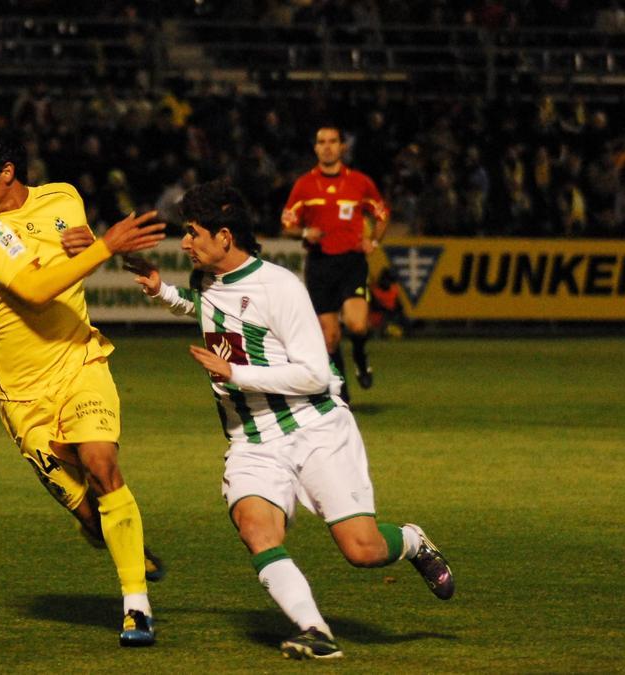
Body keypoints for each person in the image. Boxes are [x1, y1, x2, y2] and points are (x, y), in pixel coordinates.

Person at [128, 180, 453, 660]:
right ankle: (315, 630)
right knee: (255, 527)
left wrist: (233, 371)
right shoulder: (207, 281)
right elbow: (209, 310)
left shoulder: (280, 287)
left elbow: (313, 372)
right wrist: (162, 291)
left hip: (313, 427)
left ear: (224, 236)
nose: (185, 242)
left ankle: (410, 541)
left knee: (361, 550)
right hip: (253, 439)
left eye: (193, 233)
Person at [0, 129, 167, 647]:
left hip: (79, 361)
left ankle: (136, 609)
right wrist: (104, 247)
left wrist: (90, 243)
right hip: (22, 395)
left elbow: (73, 244)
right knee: (96, 519)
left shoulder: (63, 196)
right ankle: (99, 527)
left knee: (102, 464)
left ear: (8, 173)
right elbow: (36, 289)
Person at [281, 125, 389, 404]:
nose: (327, 146)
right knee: (329, 338)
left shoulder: (360, 182)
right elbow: (287, 223)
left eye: (332, 141)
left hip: (352, 262)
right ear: (315, 148)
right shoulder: (304, 185)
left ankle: (361, 358)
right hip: (319, 264)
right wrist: (306, 233)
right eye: (321, 142)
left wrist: (373, 241)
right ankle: (342, 394)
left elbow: (382, 214)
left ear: (343, 147)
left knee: (357, 325)